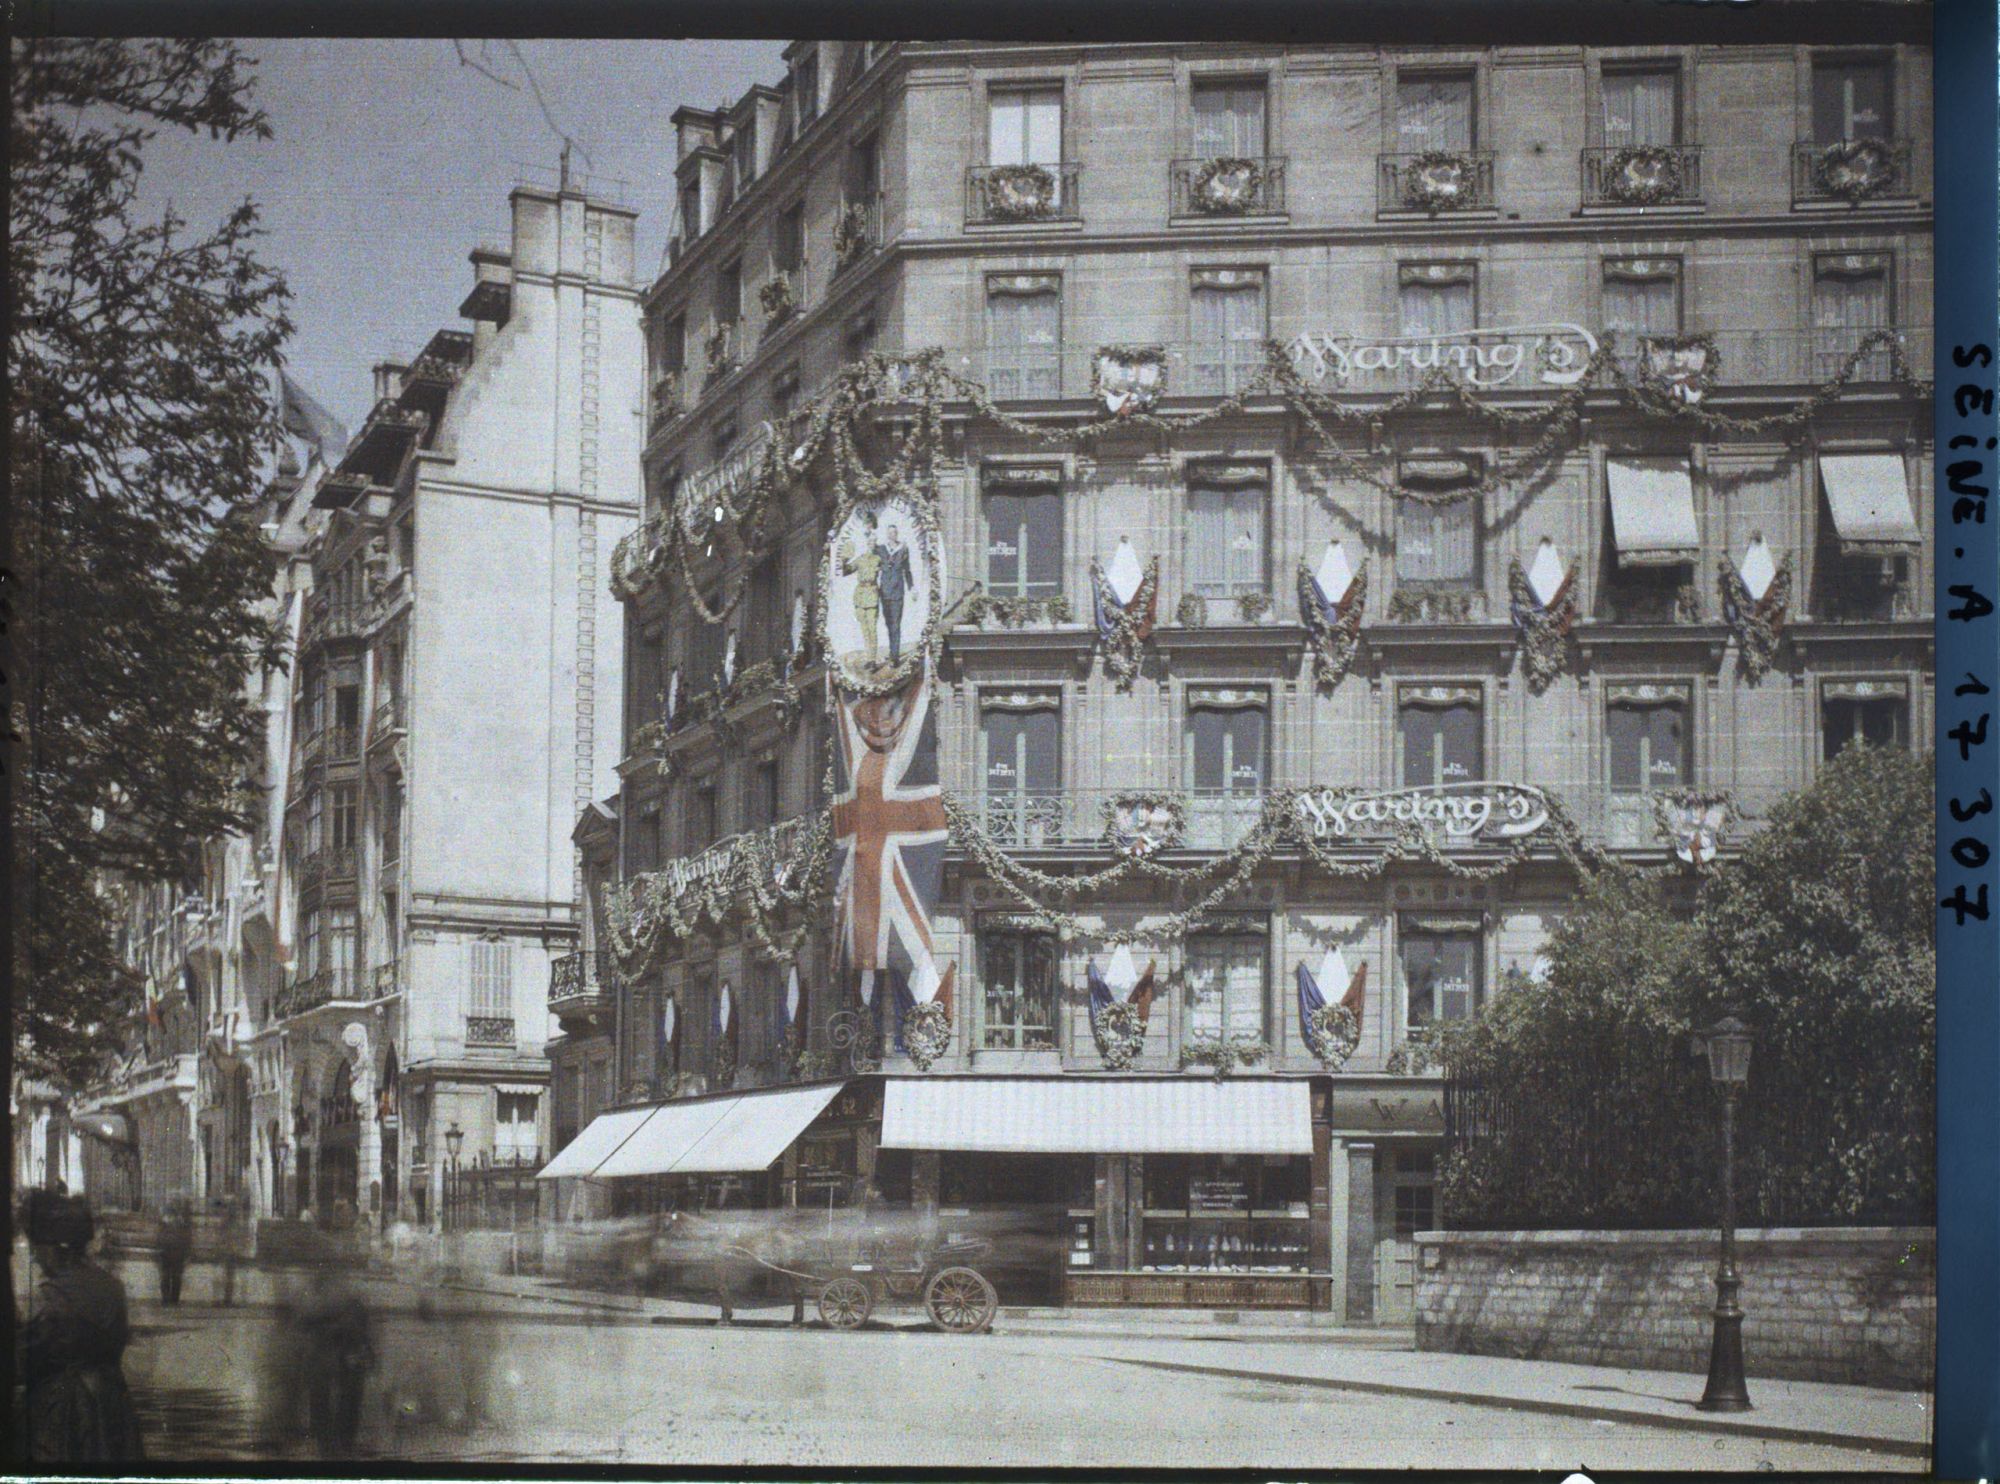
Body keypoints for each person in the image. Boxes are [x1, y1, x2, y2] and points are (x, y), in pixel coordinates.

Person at [15, 1191, 145, 1463]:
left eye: (37, 1249)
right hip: (113, 1406)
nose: (34, 1259)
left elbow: (26, 1360)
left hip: (66, 1413)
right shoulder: (112, 1288)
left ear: (55, 1248)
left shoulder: (54, 1295)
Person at [295, 1261, 376, 1458]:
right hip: (338, 1357)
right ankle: (337, 1442)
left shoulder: (344, 1305)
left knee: (338, 1399)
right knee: (340, 1399)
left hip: (341, 1357)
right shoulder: (342, 1304)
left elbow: (360, 1332)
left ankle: (335, 1442)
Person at [840, 515, 884, 666]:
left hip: (872, 593)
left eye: (873, 542)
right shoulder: (861, 559)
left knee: (872, 627)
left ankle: (872, 658)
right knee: (864, 628)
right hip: (860, 595)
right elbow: (846, 571)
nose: (871, 544)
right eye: (869, 542)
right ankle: (868, 658)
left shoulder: (878, 558)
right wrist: (844, 558)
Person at [876, 522, 915, 666]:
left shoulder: (903, 549)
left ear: (896, 534)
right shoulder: (880, 549)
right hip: (884, 592)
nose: (892, 535)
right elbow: (872, 564)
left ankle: (895, 657)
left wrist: (912, 588)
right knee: (888, 623)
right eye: (890, 533)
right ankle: (893, 651)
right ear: (887, 534)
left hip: (898, 591)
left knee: (896, 624)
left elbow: (907, 570)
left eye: (894, 533)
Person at [155, 1197, 193, 1306]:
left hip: (172, 1254)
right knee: (169, 1278)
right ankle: (169, 1300)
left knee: (170, 1278)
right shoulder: (176, 1225)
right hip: (170, 1254)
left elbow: (159, 1239)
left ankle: (170, 1300)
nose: (166, 1218)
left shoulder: (175, 1225)